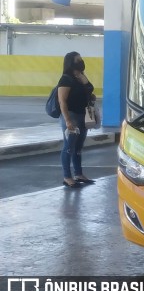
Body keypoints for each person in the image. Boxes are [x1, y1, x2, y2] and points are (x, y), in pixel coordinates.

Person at [58, 51, 96, 188]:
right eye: (78, 59)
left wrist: (90, 96)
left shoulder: (80, 77)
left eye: (81, 59)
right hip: (72, 115)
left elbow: (89, 88)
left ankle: (79, 174)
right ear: (71, 62)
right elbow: (62, 101)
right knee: (69, 147)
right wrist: (68, 120)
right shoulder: (66, 79)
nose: (81, 61)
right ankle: (67, 177)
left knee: (78, 147)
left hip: (83, 115)